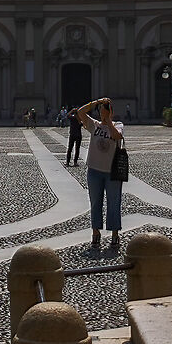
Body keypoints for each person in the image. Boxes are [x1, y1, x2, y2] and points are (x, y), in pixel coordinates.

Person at [74, 96, 125, 256]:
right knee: (95, 203)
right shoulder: (93, 125)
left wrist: (108, 121)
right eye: (101, 112)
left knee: (114, 203)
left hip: (112, 172)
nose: (103, 114)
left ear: (112, 112)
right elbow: (80, 112)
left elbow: (117, 136)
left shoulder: (118, 125)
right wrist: (96, 102)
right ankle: (96, 233)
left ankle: (115, 236)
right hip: (94, 171)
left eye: (106, 111)